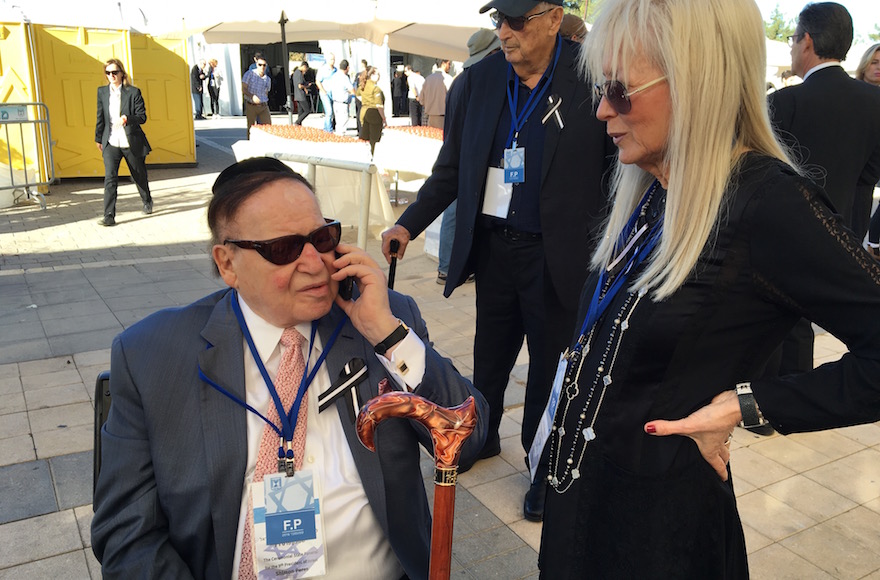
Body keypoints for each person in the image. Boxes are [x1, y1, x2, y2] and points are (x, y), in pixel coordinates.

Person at [536, 0, 880, 577]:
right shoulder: (653, 185)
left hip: (660, 540)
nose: (601, 109)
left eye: (620, 90)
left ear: (696, 81)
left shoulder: (766, 202)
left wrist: (750, 405)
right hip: (580, 513)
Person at [91, 156, 488, 579]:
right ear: (228, 264)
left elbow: (472, 440)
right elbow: (127, 535)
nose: (315, 263)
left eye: (322, 237)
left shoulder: (381, 323)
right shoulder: (153, 355)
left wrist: (387, 336)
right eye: (283, 249)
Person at [382, 0, 614, 523]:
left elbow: (616, 172)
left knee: (550, 366)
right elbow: (451, 169)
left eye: (516, 21)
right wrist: (407, 224)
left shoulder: (592, 76)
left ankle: (541, 465)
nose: (504, 33)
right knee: (490, 354)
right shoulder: (478, 82)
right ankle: (480, 437)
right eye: (498, 22)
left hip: (560, 254)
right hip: (496, 250)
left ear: (554, 18)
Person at [767, 2, 880, 376]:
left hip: (779, 228)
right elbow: (872, 173)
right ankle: (789, 392)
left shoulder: (783, 102)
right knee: (804, 317)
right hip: (841, 226)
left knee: (769, 314)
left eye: (792, 39)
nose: (791, 48)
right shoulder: (874, 102)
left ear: (807, 41)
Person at [437, 29, 502, 285]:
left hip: (459, 156)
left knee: (453, 213)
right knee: (455, 213)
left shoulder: (459, 80)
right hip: (466, 160)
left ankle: (447, 266)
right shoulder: (475, 81)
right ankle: (449, 266)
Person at [95, 58, 153, 227]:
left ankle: (147, 200)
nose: (111, 76)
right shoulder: (102, 92)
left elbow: (142, 117)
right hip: (111, 140)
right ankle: (109, 215)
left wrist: (128, 118)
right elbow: (100, 117)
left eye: (114, 72)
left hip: (130, 141)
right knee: (110, 178)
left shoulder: (133, 92)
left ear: (122, 73)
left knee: (138, 174)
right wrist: (99, 138)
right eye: (108, 73)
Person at [356, 66, 386, 156]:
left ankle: (363, 156)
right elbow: (379, 105)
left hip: (364, 111)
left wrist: (366, 102)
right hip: (374, 114)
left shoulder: (363, 85)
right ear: (372, 75)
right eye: (377, 74)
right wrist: (384, 118)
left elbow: (358, 95)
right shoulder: (375, 88)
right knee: (374, 139)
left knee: (364, 137)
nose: (379, 76)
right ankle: (373, 157)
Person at [242, 57, 272, 139]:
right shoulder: (249, 74)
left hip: (263, 106)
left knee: (268, 127)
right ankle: (251, 145)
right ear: (256, 65)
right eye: (260, 65)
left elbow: (266, 92)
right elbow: (243, 88)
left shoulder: (267, 79)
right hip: (251, 105)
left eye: (264, 65)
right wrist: (252, 96)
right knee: (251, 128)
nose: (262, 67)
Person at [419, 59, 453, 129]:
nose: (450, 66)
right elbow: (453, 99)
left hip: (430, 117)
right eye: (449, 64)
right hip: (443, 117)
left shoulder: (428, 79)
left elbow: (421, 100)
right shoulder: (448, 79)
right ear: (443, 63)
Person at [329, 59, 355, 136]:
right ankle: (341, 136)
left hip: (335, 101)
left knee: (338, 121)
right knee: (343, 120)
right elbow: (352, 90)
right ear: (347, 68)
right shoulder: (344, 77)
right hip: (343, 102)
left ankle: (338, 135)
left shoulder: (334, 76)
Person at [315, 53, 337, 132]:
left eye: (334, 59)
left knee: (332, 112)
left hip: (334, 93)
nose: (333, 61)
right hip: (325, 93)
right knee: (329, 111)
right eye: (331, 59)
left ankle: (326, 128)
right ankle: (329, 130)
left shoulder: (336, 70)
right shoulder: (323, 69)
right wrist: (323, 91)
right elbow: (318, 81)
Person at [292, 61, 313, 125]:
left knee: (300, 111)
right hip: (301, 95)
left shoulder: (295, 73)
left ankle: (298, 124)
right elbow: (300, 86)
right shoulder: (299, 74)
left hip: (297, 95)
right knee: (307, 110)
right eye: (306, 69)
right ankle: (297, 122)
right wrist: (307, 86)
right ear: (304, 66)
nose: (306, 71)